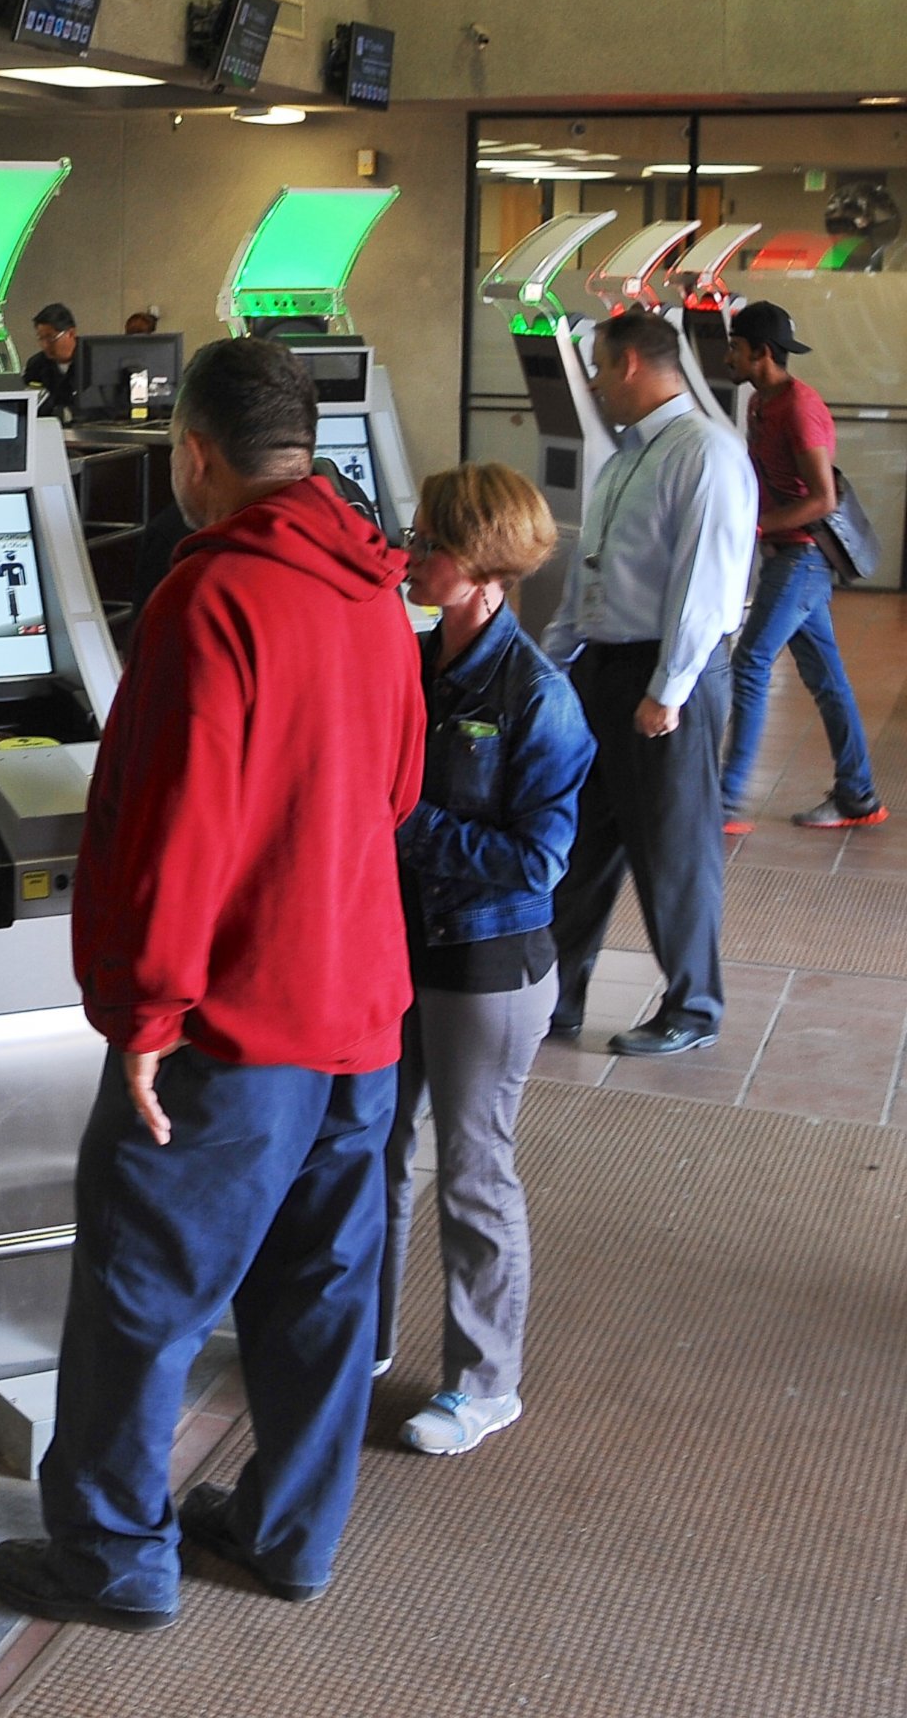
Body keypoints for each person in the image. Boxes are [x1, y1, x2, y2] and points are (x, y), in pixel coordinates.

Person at [0, 337, 422, 1631]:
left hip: (237, 1025)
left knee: (142, 1286)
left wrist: (148, 1014)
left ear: (195, 453)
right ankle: (292, 1533)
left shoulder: (212, 598)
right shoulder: (373, 588)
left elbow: (178, 826)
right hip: (361, 1011)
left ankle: (114, 1553)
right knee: (322, 1291)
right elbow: (396, 793)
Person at [376, 463, 592, 1457]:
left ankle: (484, 1381)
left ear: (486, 566)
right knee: (377, 1151)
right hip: (399, 948)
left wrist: (408, 828)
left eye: (432, 543)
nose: (411, 554)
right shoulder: (413, 663)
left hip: (488, 965)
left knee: (471, 1168)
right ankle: (362, 1343)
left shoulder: (537, 698)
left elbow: (537, 862)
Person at [542, 308, 758, 1057]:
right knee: (582, 844)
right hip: (605, 671)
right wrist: (553, 661)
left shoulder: (705, 454)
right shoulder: (629, 456)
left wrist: (666, 690)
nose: (596, 385)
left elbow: (706, 583)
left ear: (630, 363)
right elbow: (591, 571)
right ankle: (555, 996)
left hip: (669, 676)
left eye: (599, 367)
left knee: (673, 848)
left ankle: (692, 1008)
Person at [718, 300, 883, 832]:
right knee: (827, 679)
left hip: (803, 557)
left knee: (749, 663)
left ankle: (725, 802)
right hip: (784, 555)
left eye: (735, 348)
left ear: (761, 353)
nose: (729, 356)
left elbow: (823, 499)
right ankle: (857, 795)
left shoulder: (799, 406)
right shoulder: (759, 403)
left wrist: (759, 527)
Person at [24, 303, 79, 413]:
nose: (45, 345)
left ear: (71, 333)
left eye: (50, 338)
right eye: (41, 338)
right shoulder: (36, 365)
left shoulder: (94, 362)